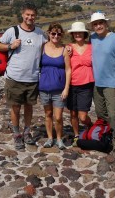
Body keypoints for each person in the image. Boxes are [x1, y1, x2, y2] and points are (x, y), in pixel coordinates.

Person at [0, 2, 47, 150]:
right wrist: (9, 46)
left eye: (33, 15)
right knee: (15, 107)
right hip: (15, 77)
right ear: (22, 15)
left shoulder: (39, 33)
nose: (30, 17)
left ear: (35, 16)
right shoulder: (12, 31)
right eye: (27, 15)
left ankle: (27, 131)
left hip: (32, 77)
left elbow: (49, 47)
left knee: (29, 107)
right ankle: (17, 133)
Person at [89, 11, 115, 150]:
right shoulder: (92, 38)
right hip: (96, 84)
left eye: (101, 23)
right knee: (101, 114)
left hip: (112, 84)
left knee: (113, 115)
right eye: (95, 24)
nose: (98, 26)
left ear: (106, 24)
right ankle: (106, 136)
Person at [39, 22, 71, 150]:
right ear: (49, 33)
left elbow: (68, 70)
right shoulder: (42, 47)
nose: (56, 36)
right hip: (44, 88)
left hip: (59, 89)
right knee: (48, 114)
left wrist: (66, 88)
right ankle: (50, 138)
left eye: (58, 34)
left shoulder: (64, 50)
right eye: (53, 33)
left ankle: (59, 138)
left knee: (58, 117)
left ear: (61, 35)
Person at [66, 21, 94, 147]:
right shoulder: (68, 48)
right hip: (72, 84)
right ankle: (77, 135)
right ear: (72, 34)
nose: (78, 34)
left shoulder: (92, 47)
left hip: (86, 85)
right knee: (73, 113)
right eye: (75, 33)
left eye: (80, 32)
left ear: (84, 33)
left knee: (83, 116)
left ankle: (90, 126)